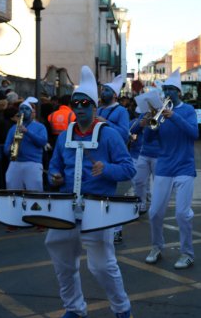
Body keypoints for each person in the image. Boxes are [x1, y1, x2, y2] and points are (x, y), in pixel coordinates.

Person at [46, 66, 135, 318]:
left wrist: (106, 169)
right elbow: (54, 165)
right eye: (76, 103)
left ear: (94, 106)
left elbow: (128, 169)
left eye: (85, 103)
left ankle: (122, 308)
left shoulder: (109, 135)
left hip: (97, 207)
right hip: (66, 207)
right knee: (62, 262)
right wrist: (54, 177)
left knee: (102, 266)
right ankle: (74, 308)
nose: (80, 107)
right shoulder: (64, 137)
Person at [143, 68, 199, 270]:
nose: (167, 92)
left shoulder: (188, 111)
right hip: (164, 167)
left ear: (179, 92)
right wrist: (148, 123)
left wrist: (173, 116)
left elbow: (194, 133)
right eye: (165, 89)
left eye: (171, 89)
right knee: (154, 212)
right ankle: (156, 246)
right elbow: (148, 139)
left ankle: (187, 253)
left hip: (184, 167)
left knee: (182, 214)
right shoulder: (159, 113)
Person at [3, 97, 47, 231]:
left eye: (27, 109)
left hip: (33, 163)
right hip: (16, 162)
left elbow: (42, 142)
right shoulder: (13, 128)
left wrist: (27, 132)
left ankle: (40, 220)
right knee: (12, 190)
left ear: (32, 112)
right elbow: (5, 148)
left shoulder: (39, 127)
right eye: (21, 109)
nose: (23, 111)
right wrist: (11, 148)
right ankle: (14, 220)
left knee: (35, 191)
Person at [97, 74, 130, 244]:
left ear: (115, 95)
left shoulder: (121, 111)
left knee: (113, 195)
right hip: (100, 154)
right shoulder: (99, 109)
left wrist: (106, 122)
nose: (104, 92)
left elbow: (125, 133)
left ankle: (117, 229)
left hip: (115, 156)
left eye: (107, 90)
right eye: (103, 89)